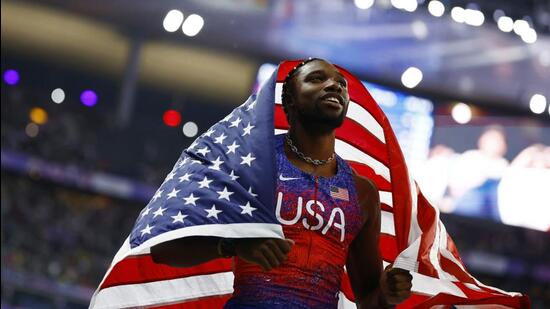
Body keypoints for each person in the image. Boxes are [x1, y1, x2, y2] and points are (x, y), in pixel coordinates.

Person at [150, 58, 413, 308]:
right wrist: (234, 245)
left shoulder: (362, 192)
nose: (334, 86)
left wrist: (387, 295)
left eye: (341, 84)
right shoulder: (251, 166)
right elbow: (164, 249)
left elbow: (369, 299)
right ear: (290, 99)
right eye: (317, 79)